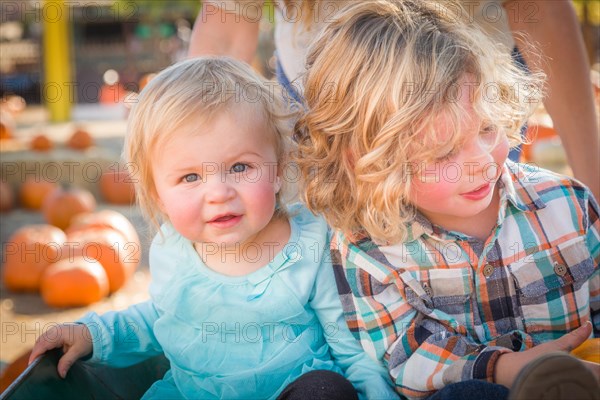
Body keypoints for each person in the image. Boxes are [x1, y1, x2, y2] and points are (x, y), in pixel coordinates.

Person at [28, 56, 398, 400]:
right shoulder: (173, 250)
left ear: (279, 167)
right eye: (190, 177)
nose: (219, 193)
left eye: (240, 167)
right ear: (157, 195)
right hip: (194, 393)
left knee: (326, 390)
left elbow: (349, 343)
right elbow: (157, 318)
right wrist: (94, 335)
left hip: (290, 390)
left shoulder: (310, 243)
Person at [294, 1, 600, 399]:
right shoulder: (368, 251)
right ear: (368, 162)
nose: (479, 162)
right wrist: (503, 369)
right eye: (442, 154)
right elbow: (407, 359)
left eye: (488, 128)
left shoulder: (567, 205)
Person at [188, 0, 600, 202]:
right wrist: (194, 162)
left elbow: (539, 7)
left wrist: (593, 183)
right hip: (327, 104)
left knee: (477, 250)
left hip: (465, 95)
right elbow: (225, 28)